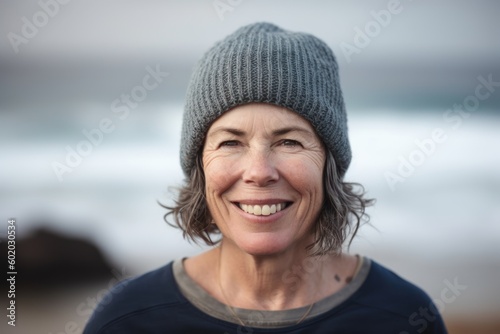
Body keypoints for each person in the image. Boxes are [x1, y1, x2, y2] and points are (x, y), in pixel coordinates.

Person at [84, 22, 447, 333]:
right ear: (200, 166)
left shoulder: (404, 315)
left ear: (329, 164)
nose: (259, 172)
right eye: (230, 142)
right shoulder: (126, 320)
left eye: (289, 141)